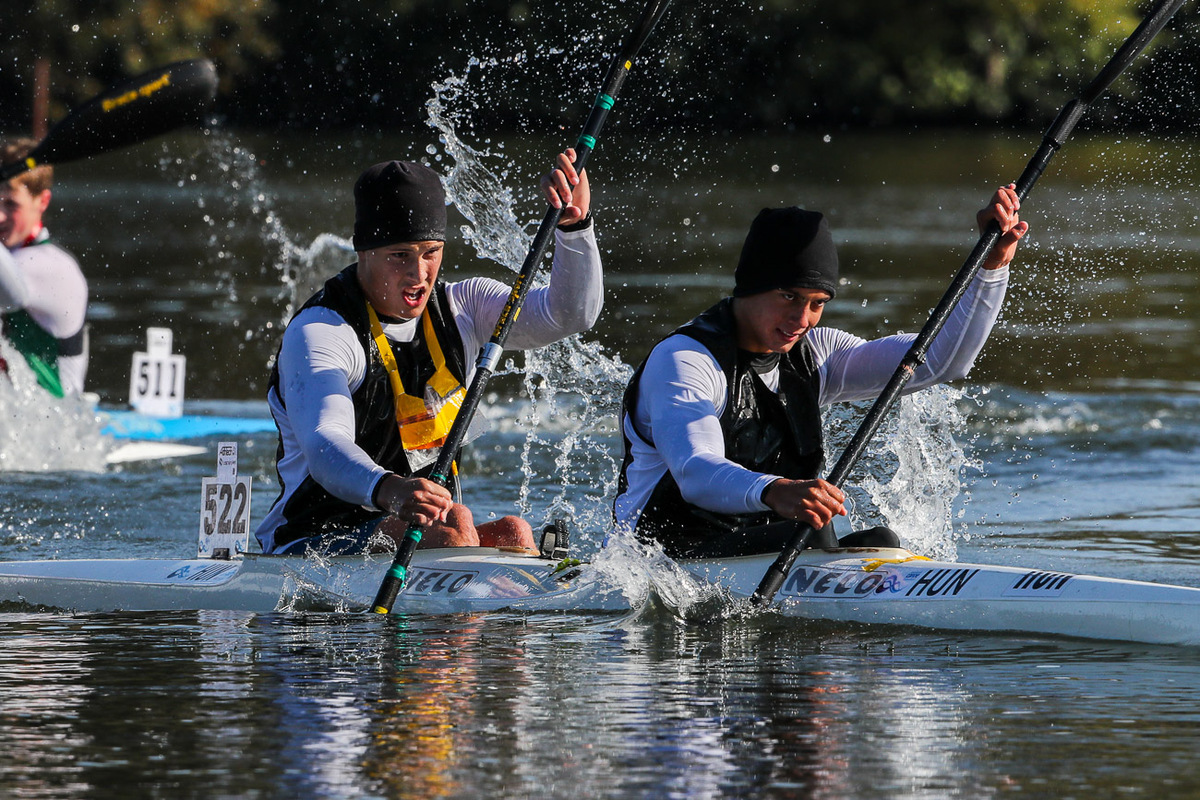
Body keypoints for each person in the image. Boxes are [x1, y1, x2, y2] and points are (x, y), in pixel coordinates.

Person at [614, 185, 1028, 558]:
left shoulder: (817, 353)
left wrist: (992, 265)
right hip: (662, 555)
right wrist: (775, 490)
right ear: (749, 287)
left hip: (765, 548)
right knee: (810, 532)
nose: (802, 318)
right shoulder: (687, 360)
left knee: (882, 542)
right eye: (788, 296)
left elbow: (940, 361)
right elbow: (696, 471)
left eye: (817, 302)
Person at [256, 148, 600, 556]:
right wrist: (391, 490)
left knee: (515, 533)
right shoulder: (322, 331)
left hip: (423, 529)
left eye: (431, 252)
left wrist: (574, 228)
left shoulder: (466, 306)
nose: (419, 275)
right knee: (455, 532)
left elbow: (569, 315)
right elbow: (325, 445)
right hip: (313, 537)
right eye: (400, 255)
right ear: (363, 250)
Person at [0, 138, 88, 397]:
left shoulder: (52, 267)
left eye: (10, 204)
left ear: (43, 201)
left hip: (56, 429)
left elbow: (10, 293)